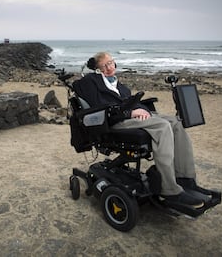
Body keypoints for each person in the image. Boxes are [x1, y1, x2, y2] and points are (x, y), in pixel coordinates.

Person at [75, 52, 204, 208]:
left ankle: (185, 178)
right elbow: (99, 106)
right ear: (97, 69)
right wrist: (130, 113)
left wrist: (143, 111)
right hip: (114, 121)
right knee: (162, 127)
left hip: (129, 117)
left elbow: (130, 102)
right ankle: (169, 190)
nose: (110, 67)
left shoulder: (119, 86)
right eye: (105, 65)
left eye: (111, 63)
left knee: (175, 122)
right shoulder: (90, 82)